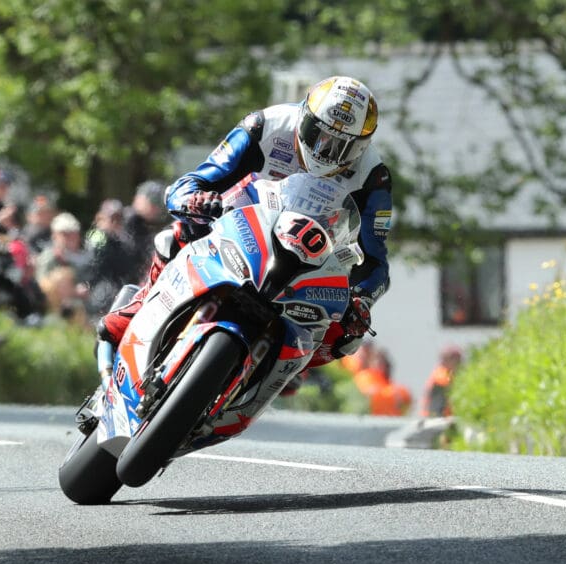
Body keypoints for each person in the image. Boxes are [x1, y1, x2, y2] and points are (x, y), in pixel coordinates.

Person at [97, 75, 394, 374]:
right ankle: (137, 311)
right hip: (242, 222)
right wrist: (193, 201)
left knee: (348, 335)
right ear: (303, 115)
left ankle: (282, 372)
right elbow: (194, 181)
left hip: (311, 259)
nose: (323, 150)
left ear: (361, 146)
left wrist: (362, 299)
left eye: (340, 147)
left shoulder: (373, 179)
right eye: (316, 134)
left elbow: (376, 264)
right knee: (180, 233)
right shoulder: (265, 125)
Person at [422, 346, 462, 418]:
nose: (459, 363)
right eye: (457, 359)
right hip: (436, 420)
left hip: (439, 418)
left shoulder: (447, 373)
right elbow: (437, 405)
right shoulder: (441, 375)